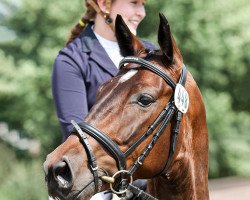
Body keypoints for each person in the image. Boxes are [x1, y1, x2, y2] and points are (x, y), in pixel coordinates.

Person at [51, 0, 156, 199]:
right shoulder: (71, 60)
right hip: (98, 182)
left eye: (143, 4)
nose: (141, 12)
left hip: (151, 180)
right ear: (103, 4)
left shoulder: (151, 55)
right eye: (134, 3)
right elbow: (79, 138)